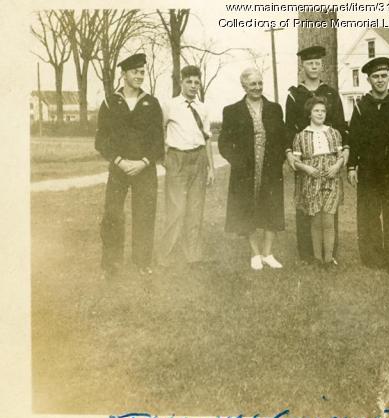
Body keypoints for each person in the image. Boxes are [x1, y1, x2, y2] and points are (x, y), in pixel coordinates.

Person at [95, 53, 164, 277]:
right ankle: (111, 265)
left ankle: (143, 262)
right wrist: (120, 162)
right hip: (119, 169)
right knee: (113, 214)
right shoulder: (109, 102)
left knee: (144, 214)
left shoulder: (151, 103)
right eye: (135, 72)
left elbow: (158, 141)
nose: (139, 76)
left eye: (142, 72)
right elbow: (101, 141)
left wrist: (143, 162)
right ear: (124, 74)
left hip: (145, 170)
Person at [347, 57, 389, 271]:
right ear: (368, 79)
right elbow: (354, 139)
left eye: (383, 76)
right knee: (368, 214)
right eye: (375, 76)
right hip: (367, 170)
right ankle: (372, 259)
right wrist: (351, 166)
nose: (380, 80)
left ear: (388, 76)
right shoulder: (361, 107)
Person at [218, 68, 287, 270]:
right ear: (244, 86)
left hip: (270, 168)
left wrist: (279, 159)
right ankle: (255, 253)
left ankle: (268, 252)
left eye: (259, 83)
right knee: (246, 207)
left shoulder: (274, 108)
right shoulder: (231, 110)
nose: (257, 87)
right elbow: (224, 142)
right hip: (245, 170)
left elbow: (283, 137)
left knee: (272, 207)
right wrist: (237, 161)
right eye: (252, 84)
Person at [285, 45, 349, 265]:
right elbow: (289, 128)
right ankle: (309, 254)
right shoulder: (294, 94)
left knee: (328, 210)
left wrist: (345, 151)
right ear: (303, 66)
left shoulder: (330, 93)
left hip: (329, 155)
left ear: (322, 66)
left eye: (317, 63)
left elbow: (341, 124)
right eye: (309, 63)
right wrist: (290, 154)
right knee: (307, 203)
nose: (314, 67)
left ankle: (330, 253)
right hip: (305, 156)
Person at [157, 65, 214, 268]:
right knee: (176, 208)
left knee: (195, 209)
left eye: (196, 82)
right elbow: (159, 130)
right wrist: (164, 157)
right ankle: (165, 255)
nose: (193, 86)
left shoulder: (203, 108)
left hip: (198, 159)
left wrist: (211, 168)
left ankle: (193, 255)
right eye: (189, 81)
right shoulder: (169, 105)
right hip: (177, 159)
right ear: (181, 82)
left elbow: (206, 139)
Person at [292, 96, 346, 267]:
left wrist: (337, 166)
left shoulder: (333, 133)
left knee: (329, 220)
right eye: (316, 110)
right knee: (316, 220)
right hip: (311, 178)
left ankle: (329, 259)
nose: (320, 114)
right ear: (309, 113)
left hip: (331, 177)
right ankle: (317, 258)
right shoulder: (301, 136)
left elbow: (341, 155)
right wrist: (307, 169)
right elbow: (295, 161)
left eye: (323, 111)